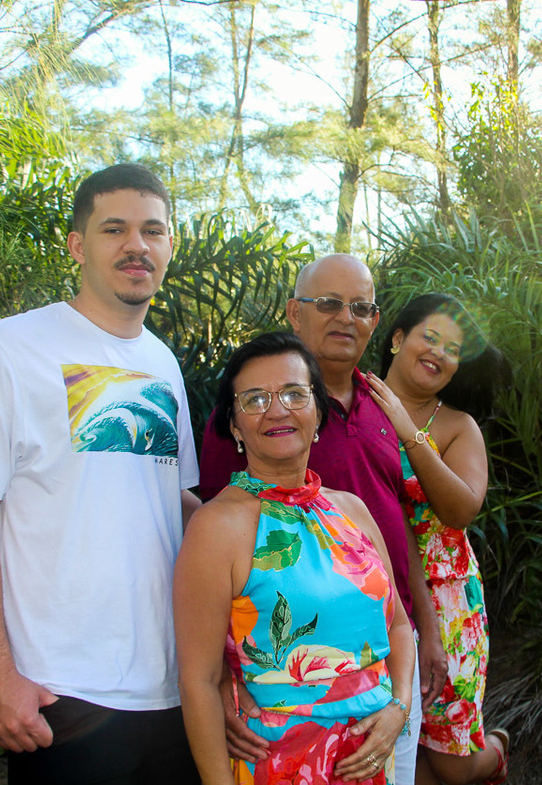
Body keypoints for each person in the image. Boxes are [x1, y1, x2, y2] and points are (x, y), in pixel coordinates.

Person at [0, 164, 202, 784]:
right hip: (61, 691)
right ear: (78, 245)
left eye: (153, 231)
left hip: (170, 688)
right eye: (115, 229)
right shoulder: (12, 347)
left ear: (168, 247)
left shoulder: (163, 364)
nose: (137, 245)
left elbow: (174, 502)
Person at [199, 254, 444, 785]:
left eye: (360, 307)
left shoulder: (385, 404)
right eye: (328, 303)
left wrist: (426, 630)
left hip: (385, 659)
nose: (345, 318)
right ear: (294, 312)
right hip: (279, 699)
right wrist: (218, 677)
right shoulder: (254, 410)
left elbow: (401, 525)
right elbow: (214, 554)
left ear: (376, 320)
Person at [176, 332, 415, 784]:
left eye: (293, 393)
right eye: (254, 399)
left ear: (318, 411)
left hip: (372, 759)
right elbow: (199, 682)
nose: (277, 409)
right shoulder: (217, 527)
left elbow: (399, 625)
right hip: (278, 764)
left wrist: (399, 707)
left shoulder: (352, 510)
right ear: (234, 426)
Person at [365, 293, 511, 785]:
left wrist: (410, 433)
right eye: (430, 337)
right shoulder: (350, 400)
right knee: (376, 739)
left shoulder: (456, 426)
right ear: (398, 338)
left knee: (453, 764)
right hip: (367, 589)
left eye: (453, 348)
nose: (439, 352)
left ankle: (495, 752)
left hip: (448, 601)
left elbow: (461, 508)